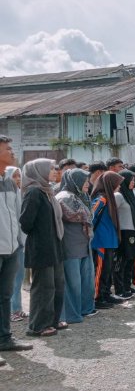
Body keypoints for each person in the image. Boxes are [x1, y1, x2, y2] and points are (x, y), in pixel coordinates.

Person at [20, 159, 66, 337]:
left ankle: (52, 321)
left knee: (57, 285)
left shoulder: (48, 191)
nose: (55, 171)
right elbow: (25, 222)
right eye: (51, 169)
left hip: (54, 244)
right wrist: (42, 234)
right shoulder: (34, 192)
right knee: (43, 287)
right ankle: (38, 325)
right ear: (39, 171)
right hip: (41, 247)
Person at [0, 137, 33, 362]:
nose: (13, 152)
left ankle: (5, 338)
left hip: (11, 248)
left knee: (5, 296)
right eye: (8, 149)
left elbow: (15, 215)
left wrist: (20, 242)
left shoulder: (10, 182)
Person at [56, 168, 97, 323]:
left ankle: (86, 309)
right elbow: (80, 215)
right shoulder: (64, 197)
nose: (88, 183)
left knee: (85, 280)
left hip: (83, 243)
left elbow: (88, 215)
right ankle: (72, 314)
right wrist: (87, 213)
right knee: (73, 282)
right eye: (85, 180)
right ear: (75, 181)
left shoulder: (80, 196)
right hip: (71, 245)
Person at [91, 171, 124, 308]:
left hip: (109, 239)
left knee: (108, 269)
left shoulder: (109, 198)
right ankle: (97, 298)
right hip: (100, 240)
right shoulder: (102, 199)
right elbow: (91, 217)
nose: (119, 187)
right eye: (117, 184)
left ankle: (105, 293)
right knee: (100, 270)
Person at [113, 170, 135, 298]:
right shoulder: (119, 196)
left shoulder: (130, 195)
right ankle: (119, 289)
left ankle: (127, 285)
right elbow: (112, 213)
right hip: (124, 232)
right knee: (122, 261)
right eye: (131, 179)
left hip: (132, 231)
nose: (133, 182)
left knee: (131, 260)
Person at [7, 166, 28, 322]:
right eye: (14, 176)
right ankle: (10, 310)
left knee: (18, 278)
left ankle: (17, 308)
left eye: (19, 176)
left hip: (18, 243)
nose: (18, 179)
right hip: (6, 244)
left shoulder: (20, 195)